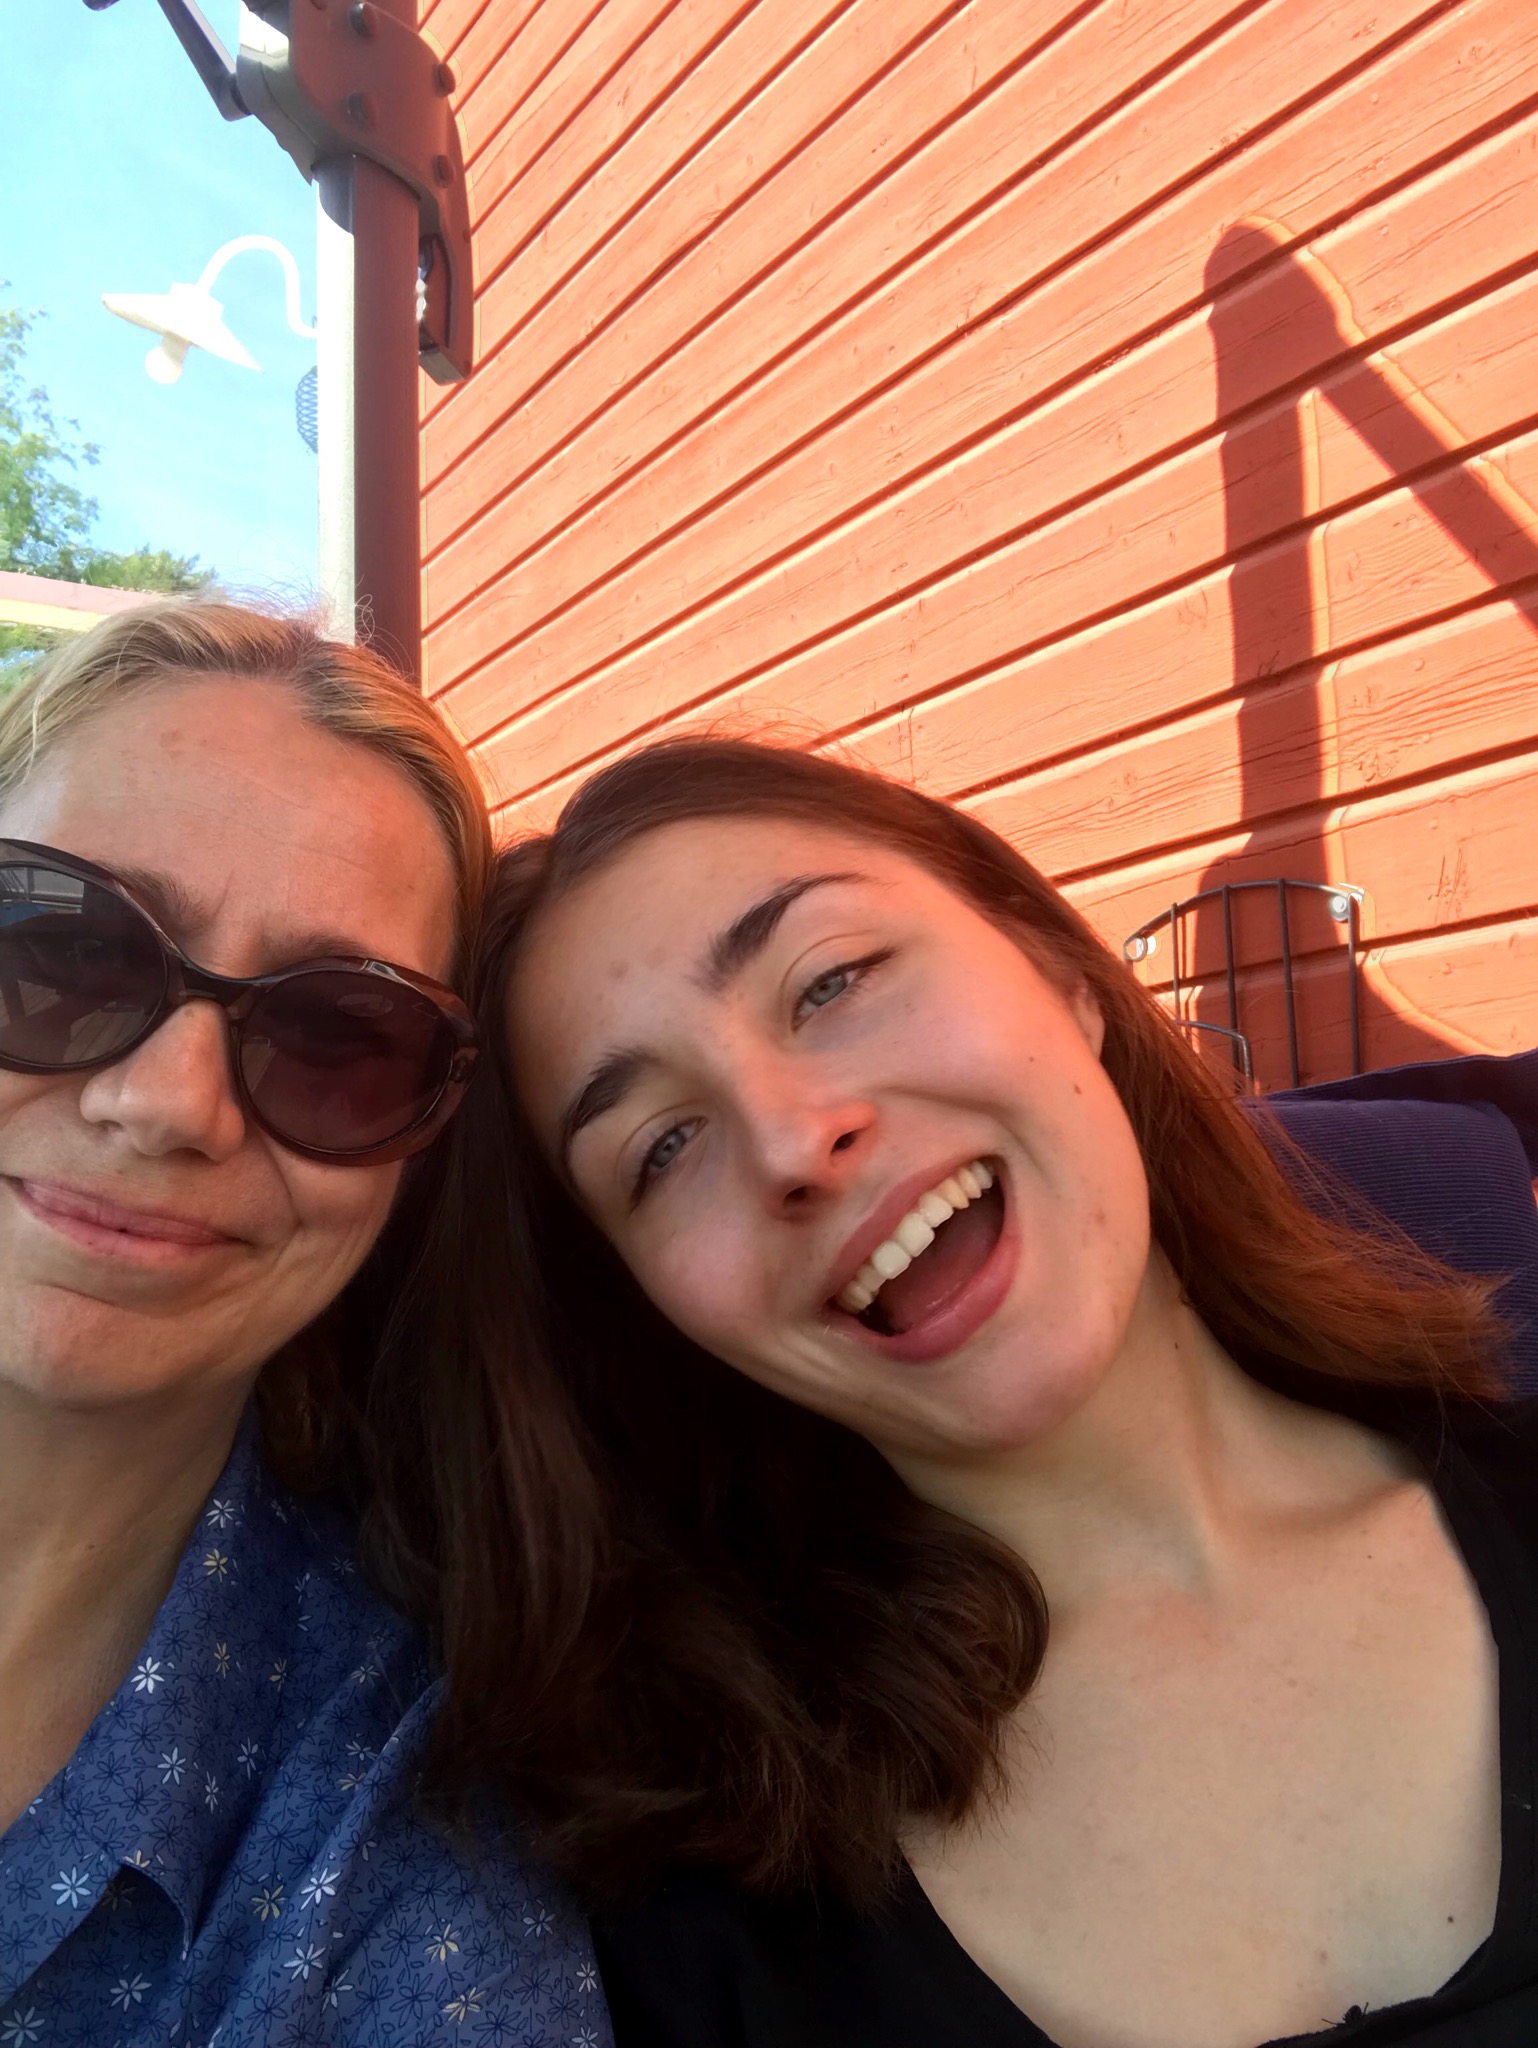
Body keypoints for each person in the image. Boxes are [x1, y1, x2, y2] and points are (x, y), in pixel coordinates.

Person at [379, 733, 1538, 2048]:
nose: (791, 1139)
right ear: (657, 1313)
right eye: (662, 1147)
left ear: (1058, 972)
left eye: (830, 981)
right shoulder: (698, 1905)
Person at [0, 602, 611, 2048]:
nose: (167, 1104)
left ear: (421, 1153)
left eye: (339, 1035)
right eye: (67, 951)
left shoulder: (400, 1854)